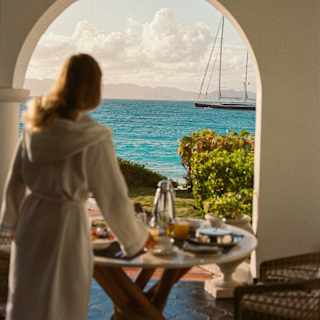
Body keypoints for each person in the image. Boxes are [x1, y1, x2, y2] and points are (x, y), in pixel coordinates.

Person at [0, 53, 151, 320]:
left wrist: (9, 225)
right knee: (61, 302)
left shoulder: (35, 126)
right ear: (95, 87)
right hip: (66, 227)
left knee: (28, 299)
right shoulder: (93, 137)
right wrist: (135, 239)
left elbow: (15, 181)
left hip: (32, 224)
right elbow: (113, 198)